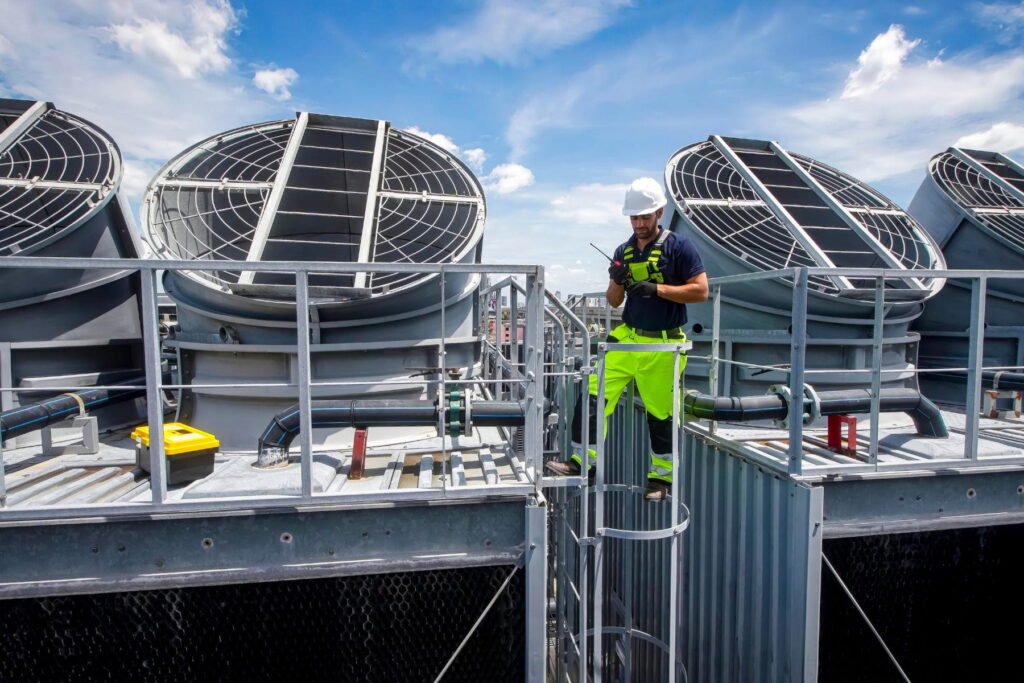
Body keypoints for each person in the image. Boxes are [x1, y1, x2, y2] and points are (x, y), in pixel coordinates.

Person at [547, 177, 708, 501]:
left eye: (645, 217)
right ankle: (583, 464)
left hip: (663, 345)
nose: (639, 224)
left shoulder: (680, 247)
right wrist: (618, 279)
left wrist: (657, 289)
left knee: (660, 413)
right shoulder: (624, 251)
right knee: (592, 394)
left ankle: (661, 480)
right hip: (628, 338)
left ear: (659, 213)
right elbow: (613, 301)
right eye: (634, 218)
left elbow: (701, 291)